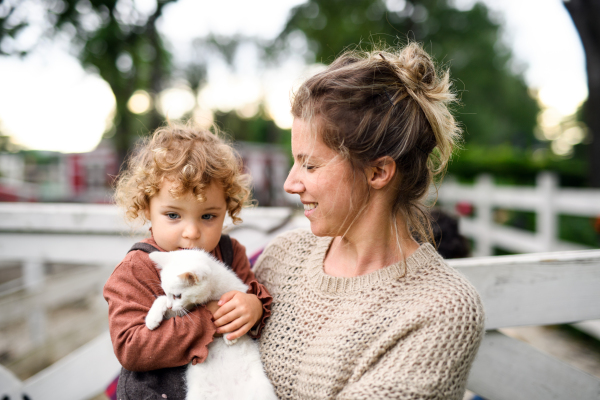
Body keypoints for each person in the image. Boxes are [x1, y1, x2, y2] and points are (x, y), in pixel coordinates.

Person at [253, 42, 485, 400]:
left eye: (310, 165)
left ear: (378, 172)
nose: (290, 183)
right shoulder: (282, 259)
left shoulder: (443, 309)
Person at [103, 123, 272, 400]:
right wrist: (210, 319)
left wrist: (253, 307)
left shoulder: (230, 252)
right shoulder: (136, 269)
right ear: (146, 207)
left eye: (208, 216)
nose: (192, 232)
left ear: (227, 209)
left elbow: (253, 294)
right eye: (173, 215)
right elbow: (131, 348)